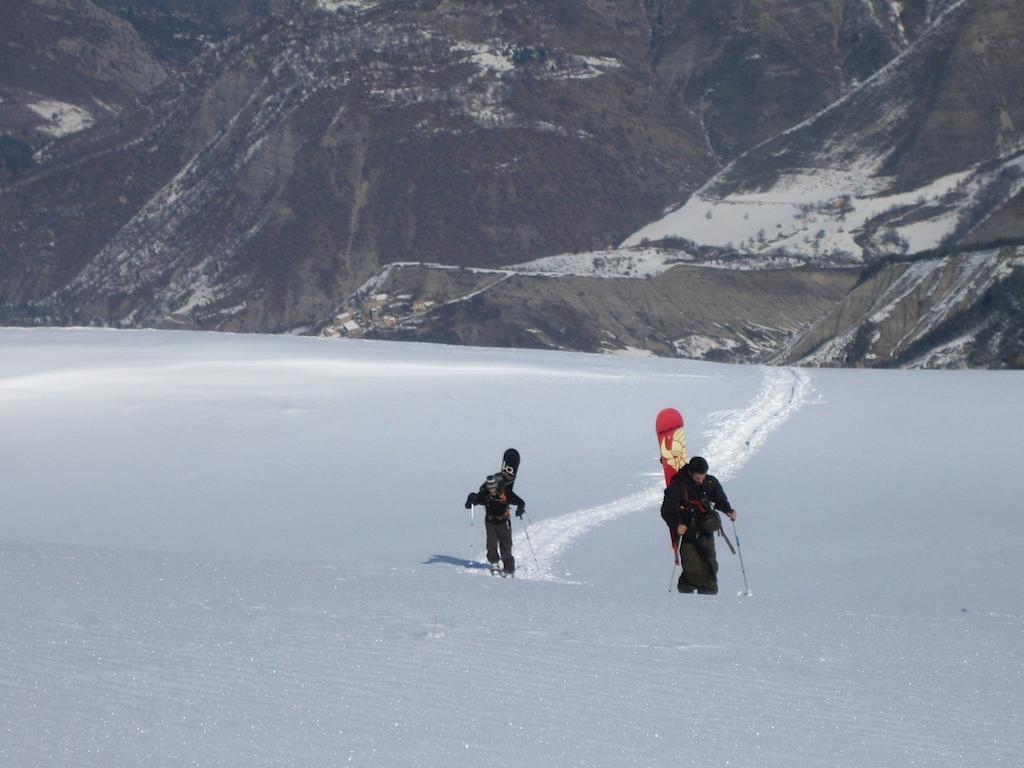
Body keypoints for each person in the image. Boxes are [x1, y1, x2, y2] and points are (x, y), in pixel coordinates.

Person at [660, 456, 737, 595]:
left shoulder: (710, 482)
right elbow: (667, 511)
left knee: (711, 563)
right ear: (690, 473)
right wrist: (677, 525)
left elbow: (719, 498)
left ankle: (709, 595)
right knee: (692, 567)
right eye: (698, 478)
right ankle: (686, 590)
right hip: (687, 531)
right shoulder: (678, 486)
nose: (701, 481)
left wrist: (728, 510)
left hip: (706, 529)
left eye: (703, 477)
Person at [465, 473, 525, 576]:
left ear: (496, 486)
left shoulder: (505, 493)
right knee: (491, 544)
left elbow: (520, 502)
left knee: (506, 545)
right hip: (490, 522)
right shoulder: (485, 494)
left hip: (503, 522)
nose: (491, 490)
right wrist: (471, 499)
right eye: (489, 488)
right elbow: (470, 505)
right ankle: (494, 563)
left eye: (493, 488)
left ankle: (509, 569)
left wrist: (520, 509)